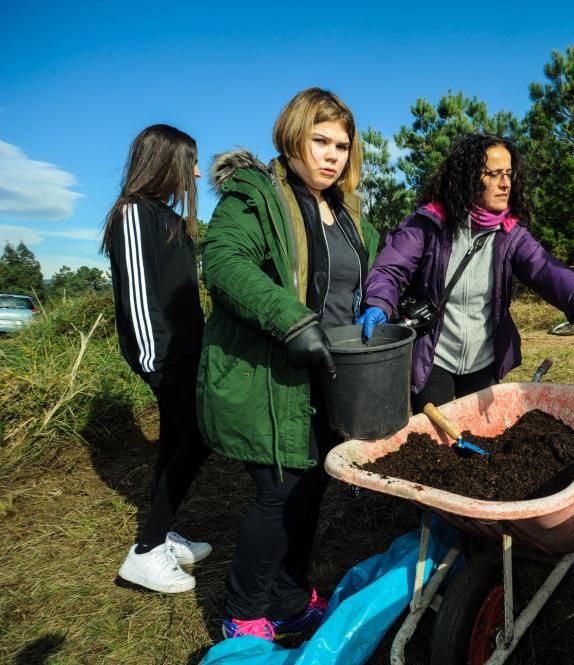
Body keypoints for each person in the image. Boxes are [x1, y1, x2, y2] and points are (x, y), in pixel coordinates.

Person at [198, 88, 378, 640]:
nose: (331, 156)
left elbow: (357, 285)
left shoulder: (347, 212)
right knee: (278, 491)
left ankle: (292, 599)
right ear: (292, 135)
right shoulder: (256, 195)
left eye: (342, 146)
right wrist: (293, 322)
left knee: (311, 488)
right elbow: (223, 262)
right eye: (319, 140)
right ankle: (243, 612)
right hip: (272, 372)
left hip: (330, 375)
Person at [357, 133, 574, 413]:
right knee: (437, 446)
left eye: (509, 173)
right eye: (494, 174)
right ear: (469, 177)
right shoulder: (429, 225)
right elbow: (390, 269)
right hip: (434, 360)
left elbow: (545, 269)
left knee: (481, 444)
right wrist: (378, 303)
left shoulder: (510, 234)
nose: (505, 183)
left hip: (484, 361)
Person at [103, 124, 213, 593]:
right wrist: (154, 361)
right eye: (190, 161)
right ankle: (145, 552)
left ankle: (161, 533)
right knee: (198, 439)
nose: (196, 171)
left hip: (188, 353)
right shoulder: (132, 213)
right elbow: (136, 294)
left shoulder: (169, 219)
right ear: (165, 162)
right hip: (164, 357)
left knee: (174, 443)